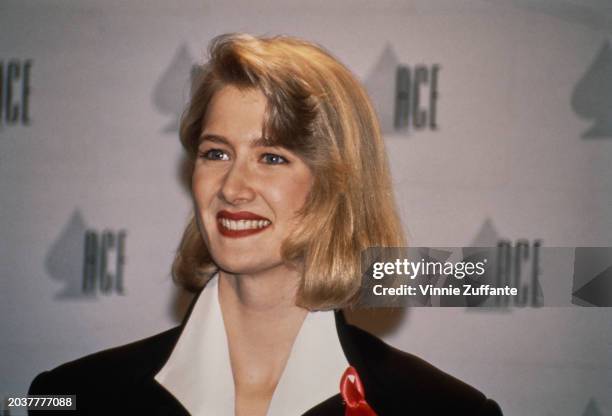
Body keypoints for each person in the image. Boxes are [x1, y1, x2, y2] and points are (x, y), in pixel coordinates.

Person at [29, 33, 502, 415]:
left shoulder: (444, 410)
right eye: (216, 153)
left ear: (338, 185)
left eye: (272, 157)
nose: (233, 188)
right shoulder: (72, 396)